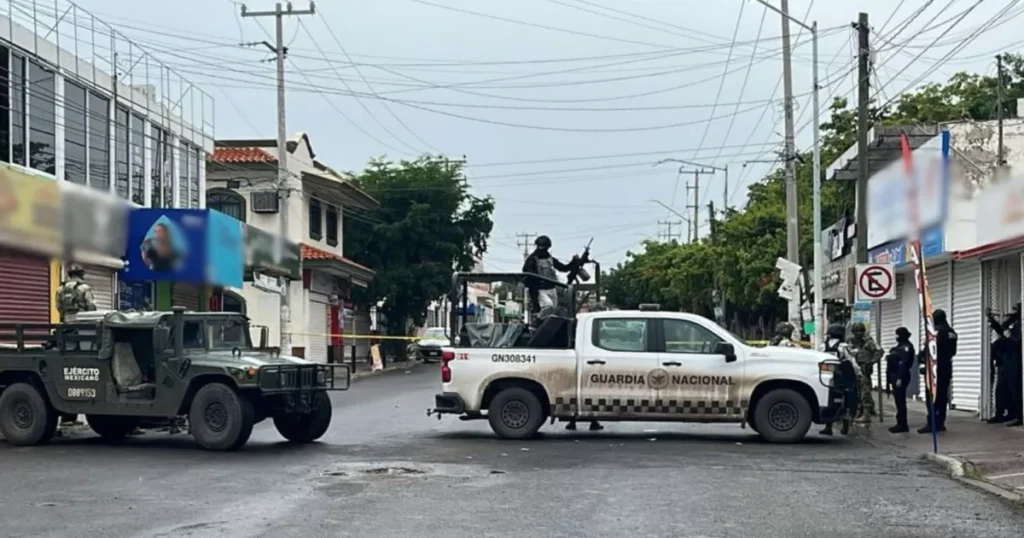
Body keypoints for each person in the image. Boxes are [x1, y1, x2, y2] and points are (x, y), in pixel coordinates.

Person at [919, 309, 958, 434]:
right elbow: (953, 352)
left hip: (934, 368)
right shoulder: (952, 332)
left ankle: (932, 423)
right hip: (946, 366)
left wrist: (922, 359)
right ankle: (940, 423)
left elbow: (929, 351)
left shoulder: (935, 332)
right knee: (942, 396)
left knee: (932, 396)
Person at [521, 235, 575, 323]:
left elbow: (563, 268)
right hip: (540, 289)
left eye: (544, 247)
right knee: (548, 305)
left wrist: (573, 262)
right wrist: (535, 283)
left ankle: (545, 326)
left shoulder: (550, 259)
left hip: (551, 287)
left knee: (553, 309)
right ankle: (537, 320)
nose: (542, 249)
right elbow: (526, 272)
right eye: (540, 246)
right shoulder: (532, 259)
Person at [819, 323, 859, 436]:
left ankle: (828, 427)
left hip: (826, 377)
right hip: (841, 377)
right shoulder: (843, 346)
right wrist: (858, 372)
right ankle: (845, 427)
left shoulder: (823, 346)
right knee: (845, 400)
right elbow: (851, 361)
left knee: (829, 400)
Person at [847, 322, 883, 422]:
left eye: (860, 331)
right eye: (856, 331)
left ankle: (866, 415)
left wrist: (871, 362)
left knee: (865, 392)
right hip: (854, 368)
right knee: (857, 392)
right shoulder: (851, 341)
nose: (858, 334)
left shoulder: (868, 342)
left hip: (864, 369)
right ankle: (859, 411)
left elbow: (879, 352)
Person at [887, 327, 916, 433]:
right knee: (898, 401)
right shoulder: (900, 347)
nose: (896, 337)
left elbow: (904, 364)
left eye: (897, 335)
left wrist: (899, 378)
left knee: (900, 401)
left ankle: (902, 424)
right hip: (896, 376)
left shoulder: (906, 347)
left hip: (901, 376)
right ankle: (900, 423)